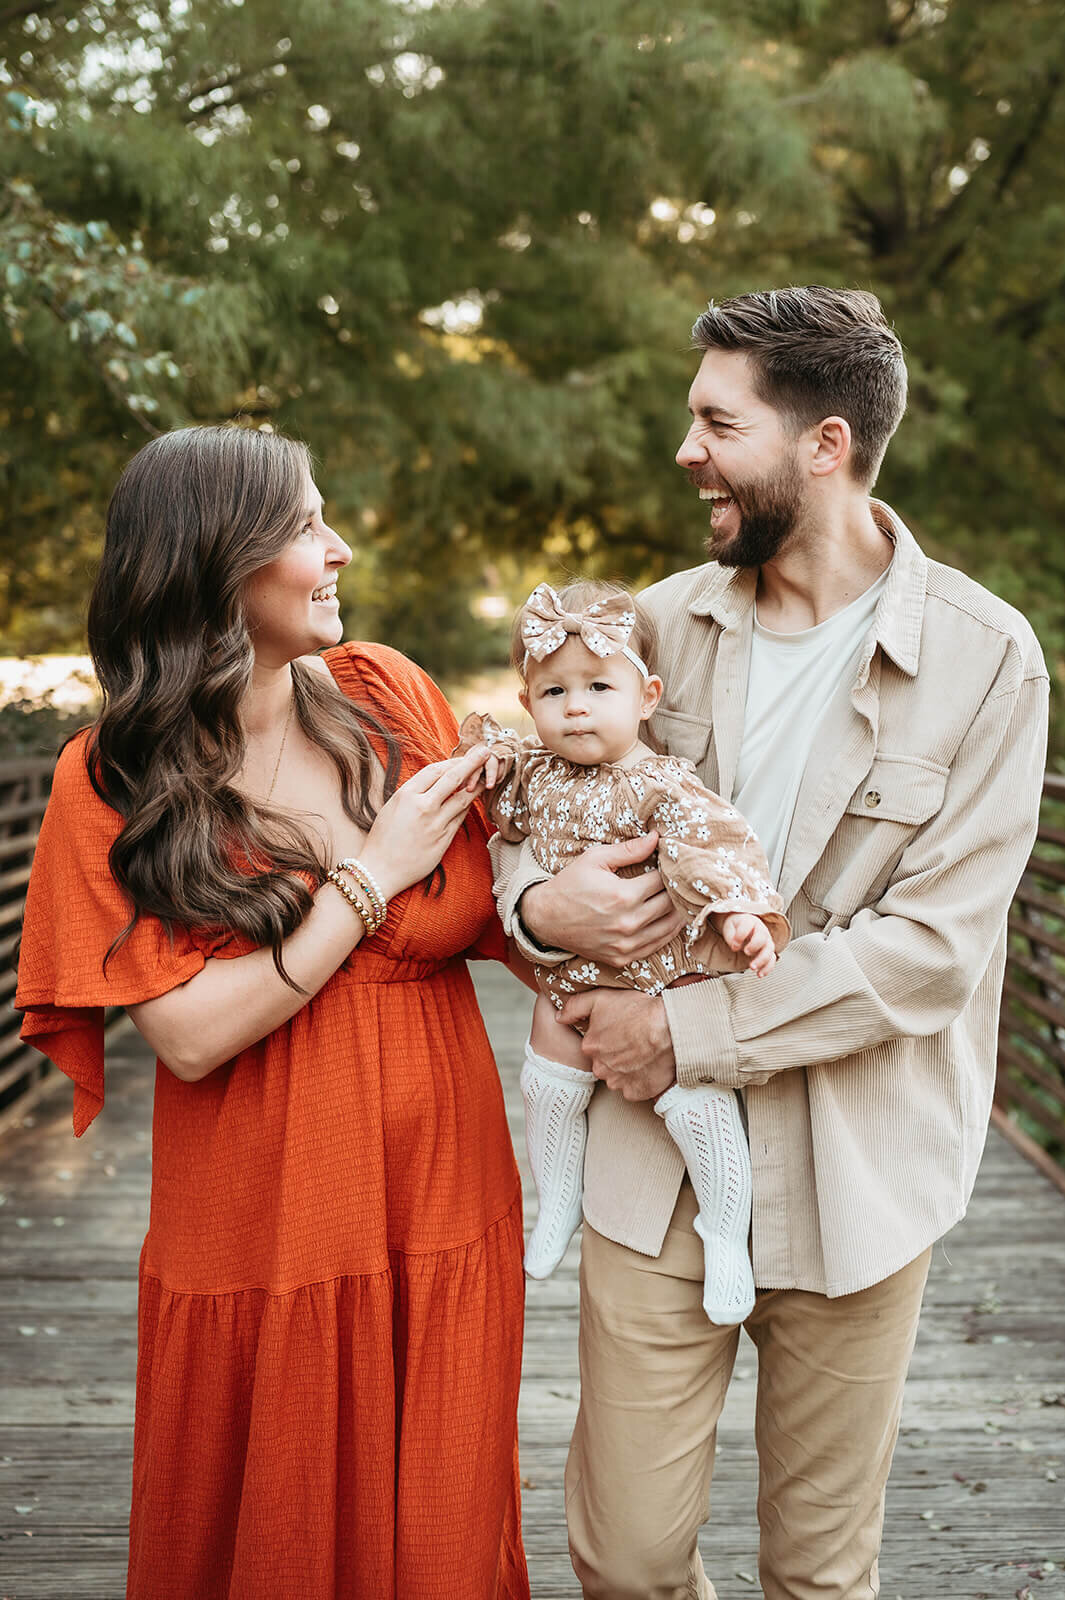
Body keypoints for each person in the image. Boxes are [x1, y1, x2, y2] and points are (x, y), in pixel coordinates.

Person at [493, 286, 1050, 1600]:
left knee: (817, 1573)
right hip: (650, 1168)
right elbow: (540, 804)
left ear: (824, 444)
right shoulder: (655, 628)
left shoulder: (987, 659)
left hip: (861, 1168)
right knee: (623, 1559)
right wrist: (532, 914)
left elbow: (930, 950)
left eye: (714, 423)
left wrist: (682, 1028)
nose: (686, 453)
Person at [15, 425, 530, 1600]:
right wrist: (371, 875)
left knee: (442, 1525)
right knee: (274, 1528)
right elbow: (189, 1036)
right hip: (266, 1220)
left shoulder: (388, 693)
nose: (338, 546)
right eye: (306, 525)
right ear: (217, 561)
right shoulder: (112, 775)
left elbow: (503, 908)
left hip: (443, 1198)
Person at [455, 578, 788, 1323]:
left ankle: (724, 1233)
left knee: (695, 1103)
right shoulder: (535, 776)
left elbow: (715, 848)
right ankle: (556, 1202)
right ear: (528, 700)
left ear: (646, 696)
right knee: (545, 1078)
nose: (574, 706)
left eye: (597, 686)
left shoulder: (662, 783)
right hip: (568, 979)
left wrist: (737, 912)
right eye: (552, 692)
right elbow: (499, 820)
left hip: (658, 984)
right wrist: (489, 766)